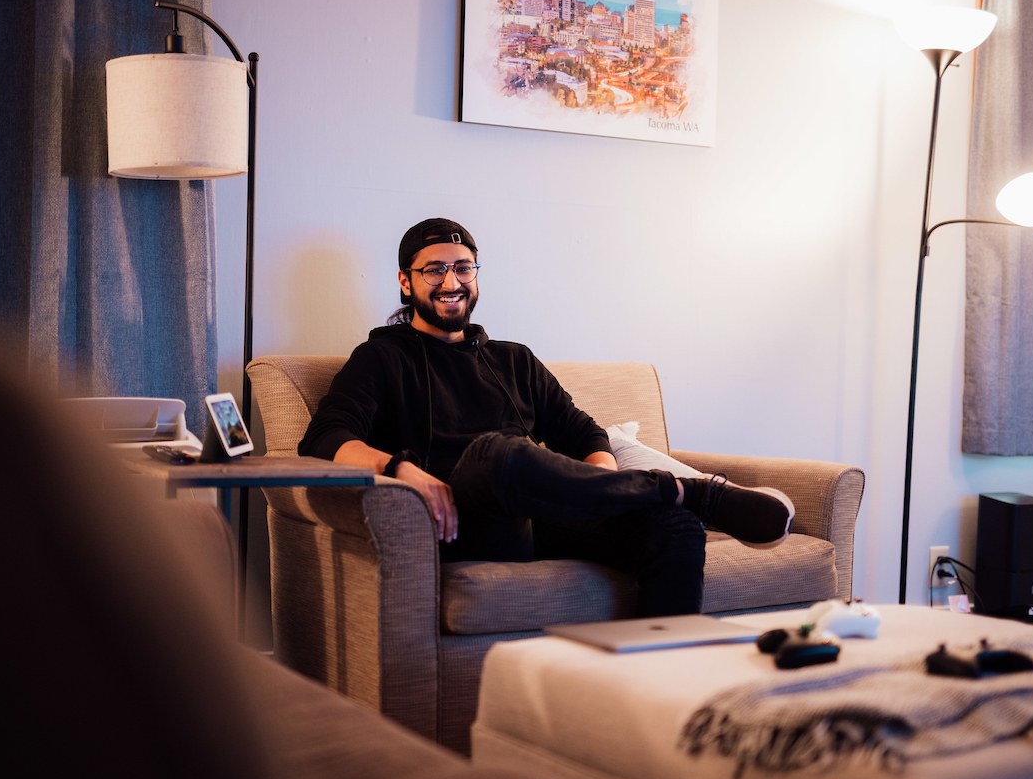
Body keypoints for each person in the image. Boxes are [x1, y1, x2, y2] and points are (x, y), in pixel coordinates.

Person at [299, 218, 794, 617]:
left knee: (673, 529)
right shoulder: (381, 358)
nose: (450, 282)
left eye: (463, 268)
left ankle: (660, 680)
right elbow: (326, 436)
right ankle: (694, 491)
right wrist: (401, 468)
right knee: (500, 453)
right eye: (433, 270)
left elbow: (582, 431)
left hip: (541, 519)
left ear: (476, 276)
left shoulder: (513, 359)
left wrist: (600, 475)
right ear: (406, 282)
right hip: (464, 522)